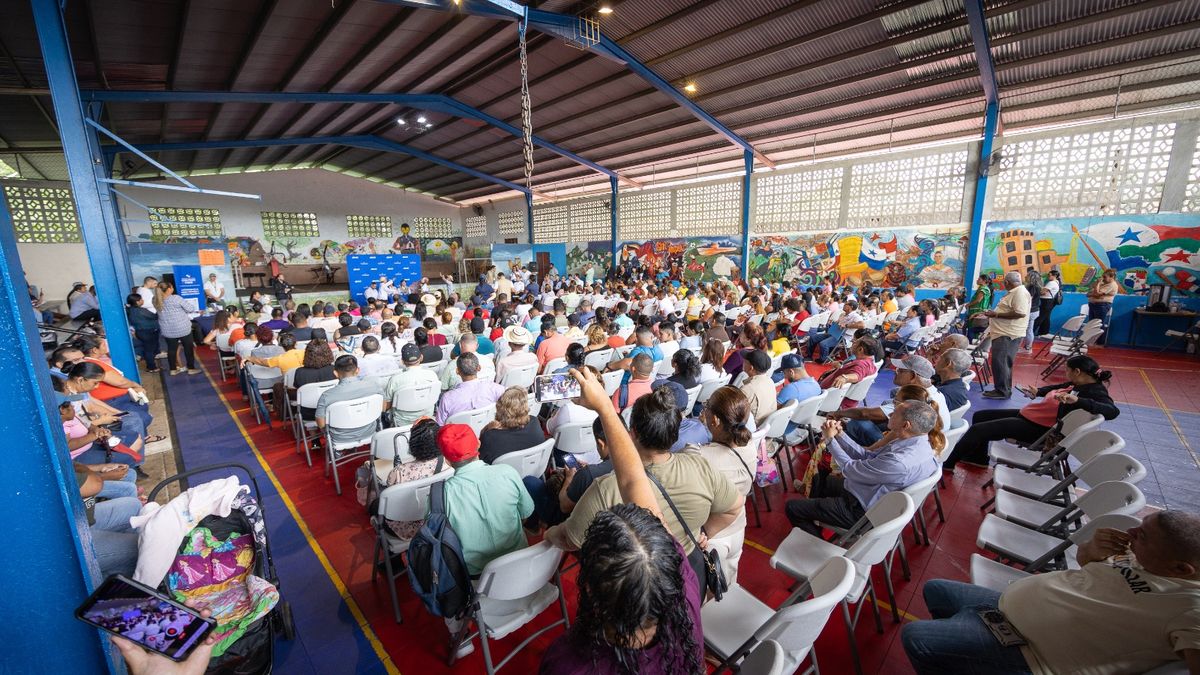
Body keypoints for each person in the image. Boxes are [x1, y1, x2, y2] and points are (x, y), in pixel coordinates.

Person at [901, 510, 1200, 675]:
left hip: (1033, 656)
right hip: (1008, 611)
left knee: (917, 638)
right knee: (936, 589)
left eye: (1143, 535)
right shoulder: (1145, 557)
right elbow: (1086, 564)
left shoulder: (1190, 607)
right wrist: (1092, 550)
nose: (1131, 533)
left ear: (1182, 569)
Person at [545, 384, 744, 559]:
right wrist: (702, 532)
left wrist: (548, 534)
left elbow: (568, 539)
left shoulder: (607, 488)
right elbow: (734, 507)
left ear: (632, 434)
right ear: (674, 434)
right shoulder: (701, 467)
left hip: (637, 584)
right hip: (687, 565)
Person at [438, 423, 534, 655]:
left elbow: (439, 541)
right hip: (524, 568)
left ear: (446, 460)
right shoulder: (508, 473)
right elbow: (527, 512)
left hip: (477, 581)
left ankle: (459, 634)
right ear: (478, 445)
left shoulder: (442, 494)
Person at [785, 399, 940, 536]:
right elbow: (867, 456)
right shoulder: (918, 443)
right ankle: (818, 513)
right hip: (874, 497)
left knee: (793, 507)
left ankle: (816, 546)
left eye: (895, 413)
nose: (890, 413)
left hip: (862, 513)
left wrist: (830, 439)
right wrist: (840, 435)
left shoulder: (900, 462)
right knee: (823, 479)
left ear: (906, 425)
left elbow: (850, 469)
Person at [943, 354, 1119, 470]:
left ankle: (948, 464)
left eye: (1067, 370)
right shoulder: (1079, 383)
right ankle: (978, 458)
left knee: (978, 430)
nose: (1066, 373)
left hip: (1041, 430)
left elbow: (1112, 411)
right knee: (980, 416)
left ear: (1078, 372)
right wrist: (1039, 392)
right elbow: (1058, 387)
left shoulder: (1094, 391)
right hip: (1033, 417)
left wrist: (1079, 401)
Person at [686, 385, 755, 583]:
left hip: (710, 535)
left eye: (707, 406)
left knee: (706, 595)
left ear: (715, 420)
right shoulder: (749, 444)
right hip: (737, 527)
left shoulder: (698, 455)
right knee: (728, 584)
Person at [315, 355, 387, 445]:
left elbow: (321, 424)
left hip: (340, 437)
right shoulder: (375, 387)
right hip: (369, 431)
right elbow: (383, 409)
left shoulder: (327, 396)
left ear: (336, 373)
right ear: (357, 370)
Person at [982, 271, 1031, 399]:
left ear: (1007, 282)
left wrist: (996, 314)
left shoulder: (1019, 293)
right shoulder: (1016, 292)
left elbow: (1020, 313)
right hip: (1004, 332)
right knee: (1002, 362)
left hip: (1008, 334)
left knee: (1001, 362)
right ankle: (1003, 388)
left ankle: (1002, 391)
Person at [479, 387, 546, 464]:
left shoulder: (490, 436)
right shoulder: (535, 422)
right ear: (525, 406)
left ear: (499, 408)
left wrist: (487, 429)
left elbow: (480, 460)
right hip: (532, 469)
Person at [435, 353, 506, 424]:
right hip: (488, 431)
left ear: (457, 371)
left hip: (459, 434)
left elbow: (440, 425)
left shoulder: (447, 398)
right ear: (479, 368)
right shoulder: (495, 389)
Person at [382, 344, 440, 427]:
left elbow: (386, 406)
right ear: (421, 357)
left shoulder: (395, 380)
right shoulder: (432, 375)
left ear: (402, 361)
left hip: (402, 422)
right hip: (427, 418)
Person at [816, 336, 879, 408]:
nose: (852, 342)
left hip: (826, 400)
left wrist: (845, 377)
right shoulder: (870, 363)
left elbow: (857, 375)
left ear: (860, 349)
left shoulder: (862, 364)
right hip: (836, 398)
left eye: (855, 342)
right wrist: (841, 367)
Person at [155, 280, 199, 375]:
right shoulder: (176, 298)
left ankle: (173, 370)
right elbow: (190, 308)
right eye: (172, 287)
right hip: (182, 328)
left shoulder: (155, 299)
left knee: (171, 349)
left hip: (167, 330)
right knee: (188, 348)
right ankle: (191, 368)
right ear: (169, 289)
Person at [292, 339, 337, 421]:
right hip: (333, 410)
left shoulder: (300, 372)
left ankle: (311, 430)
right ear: (328, 353)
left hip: (309, 413)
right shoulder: (336, 370)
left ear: (307, 354)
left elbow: (297, 390)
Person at [739, 349, 777, 426]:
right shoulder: (770, 381)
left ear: (751, 367)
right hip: (766, 428)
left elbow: (732, 412)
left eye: (745, 361)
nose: (743, 362)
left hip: (752, 432)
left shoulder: (747, 389)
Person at [125, 293, 160, 373]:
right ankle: (151, 367)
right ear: (137, 302)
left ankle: (151, 365)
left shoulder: (130, 310)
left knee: (148, 349)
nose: (142, 300)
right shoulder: (141, 310)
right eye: (141, 299)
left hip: (140, 332)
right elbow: (154, 316)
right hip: (149, 332)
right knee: (149, 350)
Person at [1087, 267, 1120, 332]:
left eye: (1105, 277)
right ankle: (1091, 340)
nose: (1103, 279)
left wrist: (1098, 284)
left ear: (1112, 277)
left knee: (1098, 324)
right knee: (1091, 324)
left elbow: (1097, 294)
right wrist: (1097, 284)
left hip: (1101, 306)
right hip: (1093, 305)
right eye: (1102, 276)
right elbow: (1089, 292)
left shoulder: (1111, 285)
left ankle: (1098, 341)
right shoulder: (1104, 284)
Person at [1035, 269, 1061, 337]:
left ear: (1054, 275)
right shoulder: (1057, 282)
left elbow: (1043, 292)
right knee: (1046, 317)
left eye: (1049, 275)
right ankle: (1043, 332)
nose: (1048, 277)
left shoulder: (1052, 283)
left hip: (1047, 302)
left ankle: (1032, 331)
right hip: (1049, 302)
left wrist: (1038, 291)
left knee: (1040, 317)